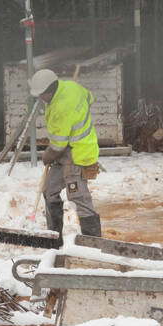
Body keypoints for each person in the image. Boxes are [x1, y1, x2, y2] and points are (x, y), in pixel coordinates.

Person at [29, 67, 102, 240]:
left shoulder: (60, 109)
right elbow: (90, 98)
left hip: (78, 152)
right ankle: (54, 237)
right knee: (49, 190)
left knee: (78, 197)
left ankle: (94, 243)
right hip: (66, 151)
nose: (39, 98)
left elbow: (57, 146)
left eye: (40, 94)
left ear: (49, 91)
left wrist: (47, 155)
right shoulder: (71, 87)